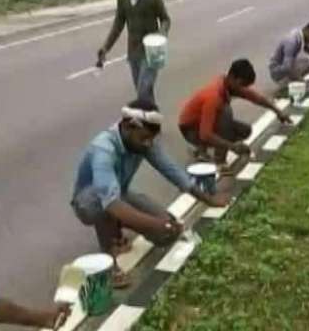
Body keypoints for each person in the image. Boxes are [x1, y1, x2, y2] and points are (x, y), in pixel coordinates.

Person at [71, 100, 227, 285]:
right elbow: (110, 202)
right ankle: (109, 265)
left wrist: (209, 200)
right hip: (90, 202)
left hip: (120, 195)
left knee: (167, 233)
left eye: (151, 139)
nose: (148, 144)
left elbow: (171, 171)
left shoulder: (143, 142)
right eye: (145, 138)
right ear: (129, 127)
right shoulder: (104, 149)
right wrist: (154, 224)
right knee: (102, 202)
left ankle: (118, 228)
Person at [179, 59, 291, 174]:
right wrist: (232, 146)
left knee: (245, 130)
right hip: (190, 129)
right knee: (225, 114)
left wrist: (278, 111)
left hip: (201, 124)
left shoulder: (228, 84)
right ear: (232, 77)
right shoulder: (214, 96)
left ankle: (201, 150)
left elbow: (256, 98)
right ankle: (220, 163)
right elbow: (205, 134)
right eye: (242, 85)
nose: (242, 89)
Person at [97, 0, 171, 104]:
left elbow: (165, 19)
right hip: (133, 53)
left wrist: (161, 35)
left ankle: (146, 122)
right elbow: (118, 25)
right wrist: (105, 48)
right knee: (143, 91)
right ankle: (151, 123)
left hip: (152, 53)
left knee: (143, 90)